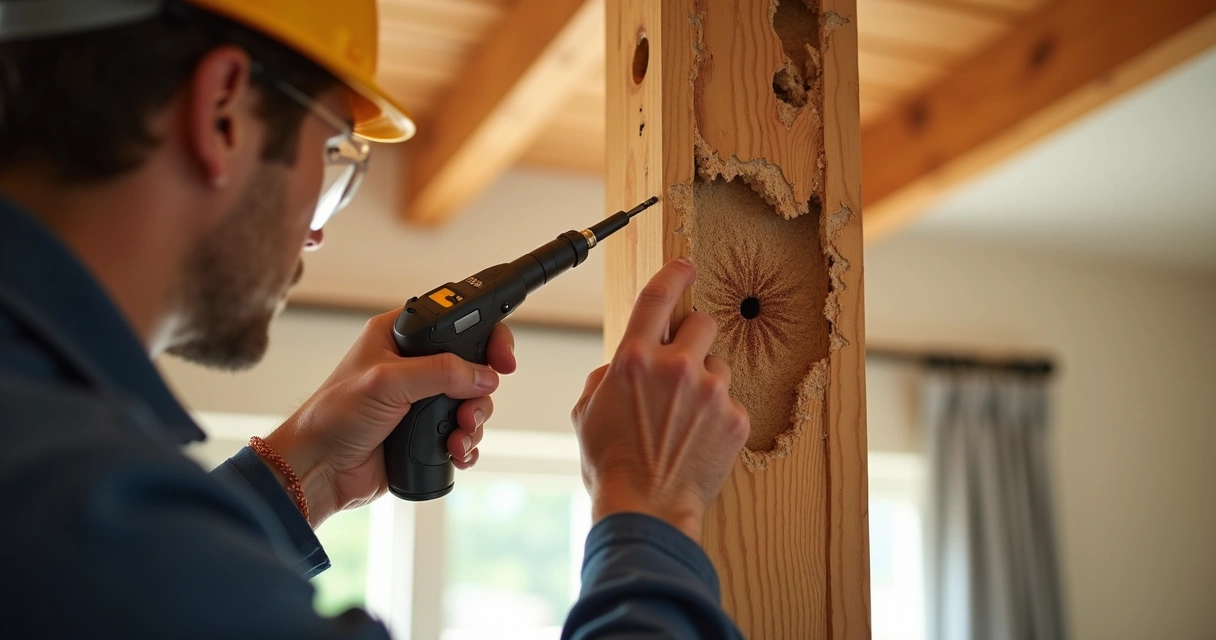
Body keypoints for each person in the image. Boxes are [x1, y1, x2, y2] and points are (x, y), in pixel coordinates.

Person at [0, 1, 750, 638]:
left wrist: (306, 473)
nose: (317, 230)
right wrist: (648, 503)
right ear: (223, 110)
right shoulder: (87, 508)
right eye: (331, 152)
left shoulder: (56, 475)